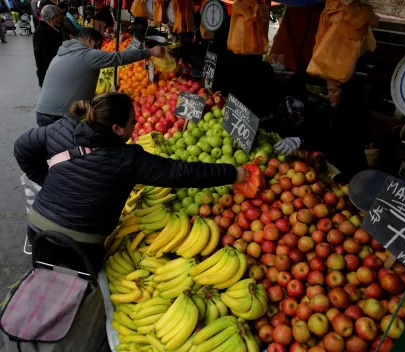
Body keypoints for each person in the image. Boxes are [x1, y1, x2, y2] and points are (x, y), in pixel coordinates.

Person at [14, 92, 246, 272]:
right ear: (116, 129)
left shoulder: (61, 128)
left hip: (36, 230)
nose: (136, 125)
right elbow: (183, 172)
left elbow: (22, 148)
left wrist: (47, 181)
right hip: (82, 246)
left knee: (46, 281)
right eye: (132, 122)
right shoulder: (128, 159)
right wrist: (233, 173)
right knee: (80, 292)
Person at [35, 28, 164, 127]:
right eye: (98, 45)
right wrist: (150, 52)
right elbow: (118, 58)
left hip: (43, 112)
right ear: (90, 41)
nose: (100, 49)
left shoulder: (62, 54)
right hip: (58, 117)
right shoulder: (87, 55)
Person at [274, 78, 368, 181]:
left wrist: (302, 141)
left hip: (351, 170)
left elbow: (332, 138)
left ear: (347, 92)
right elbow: (319, 124)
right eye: (328, 91)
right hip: (333, 167)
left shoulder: (354, 114)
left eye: (333, 91)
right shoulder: (333, 108)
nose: (328, 96)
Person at [33, 5, 63, 88]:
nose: (60, 21)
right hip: (50, 77)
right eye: (59, 18)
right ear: (52, 18)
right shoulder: (48, 33)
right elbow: (52, 58)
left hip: (45, 75)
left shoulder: (42, 30)